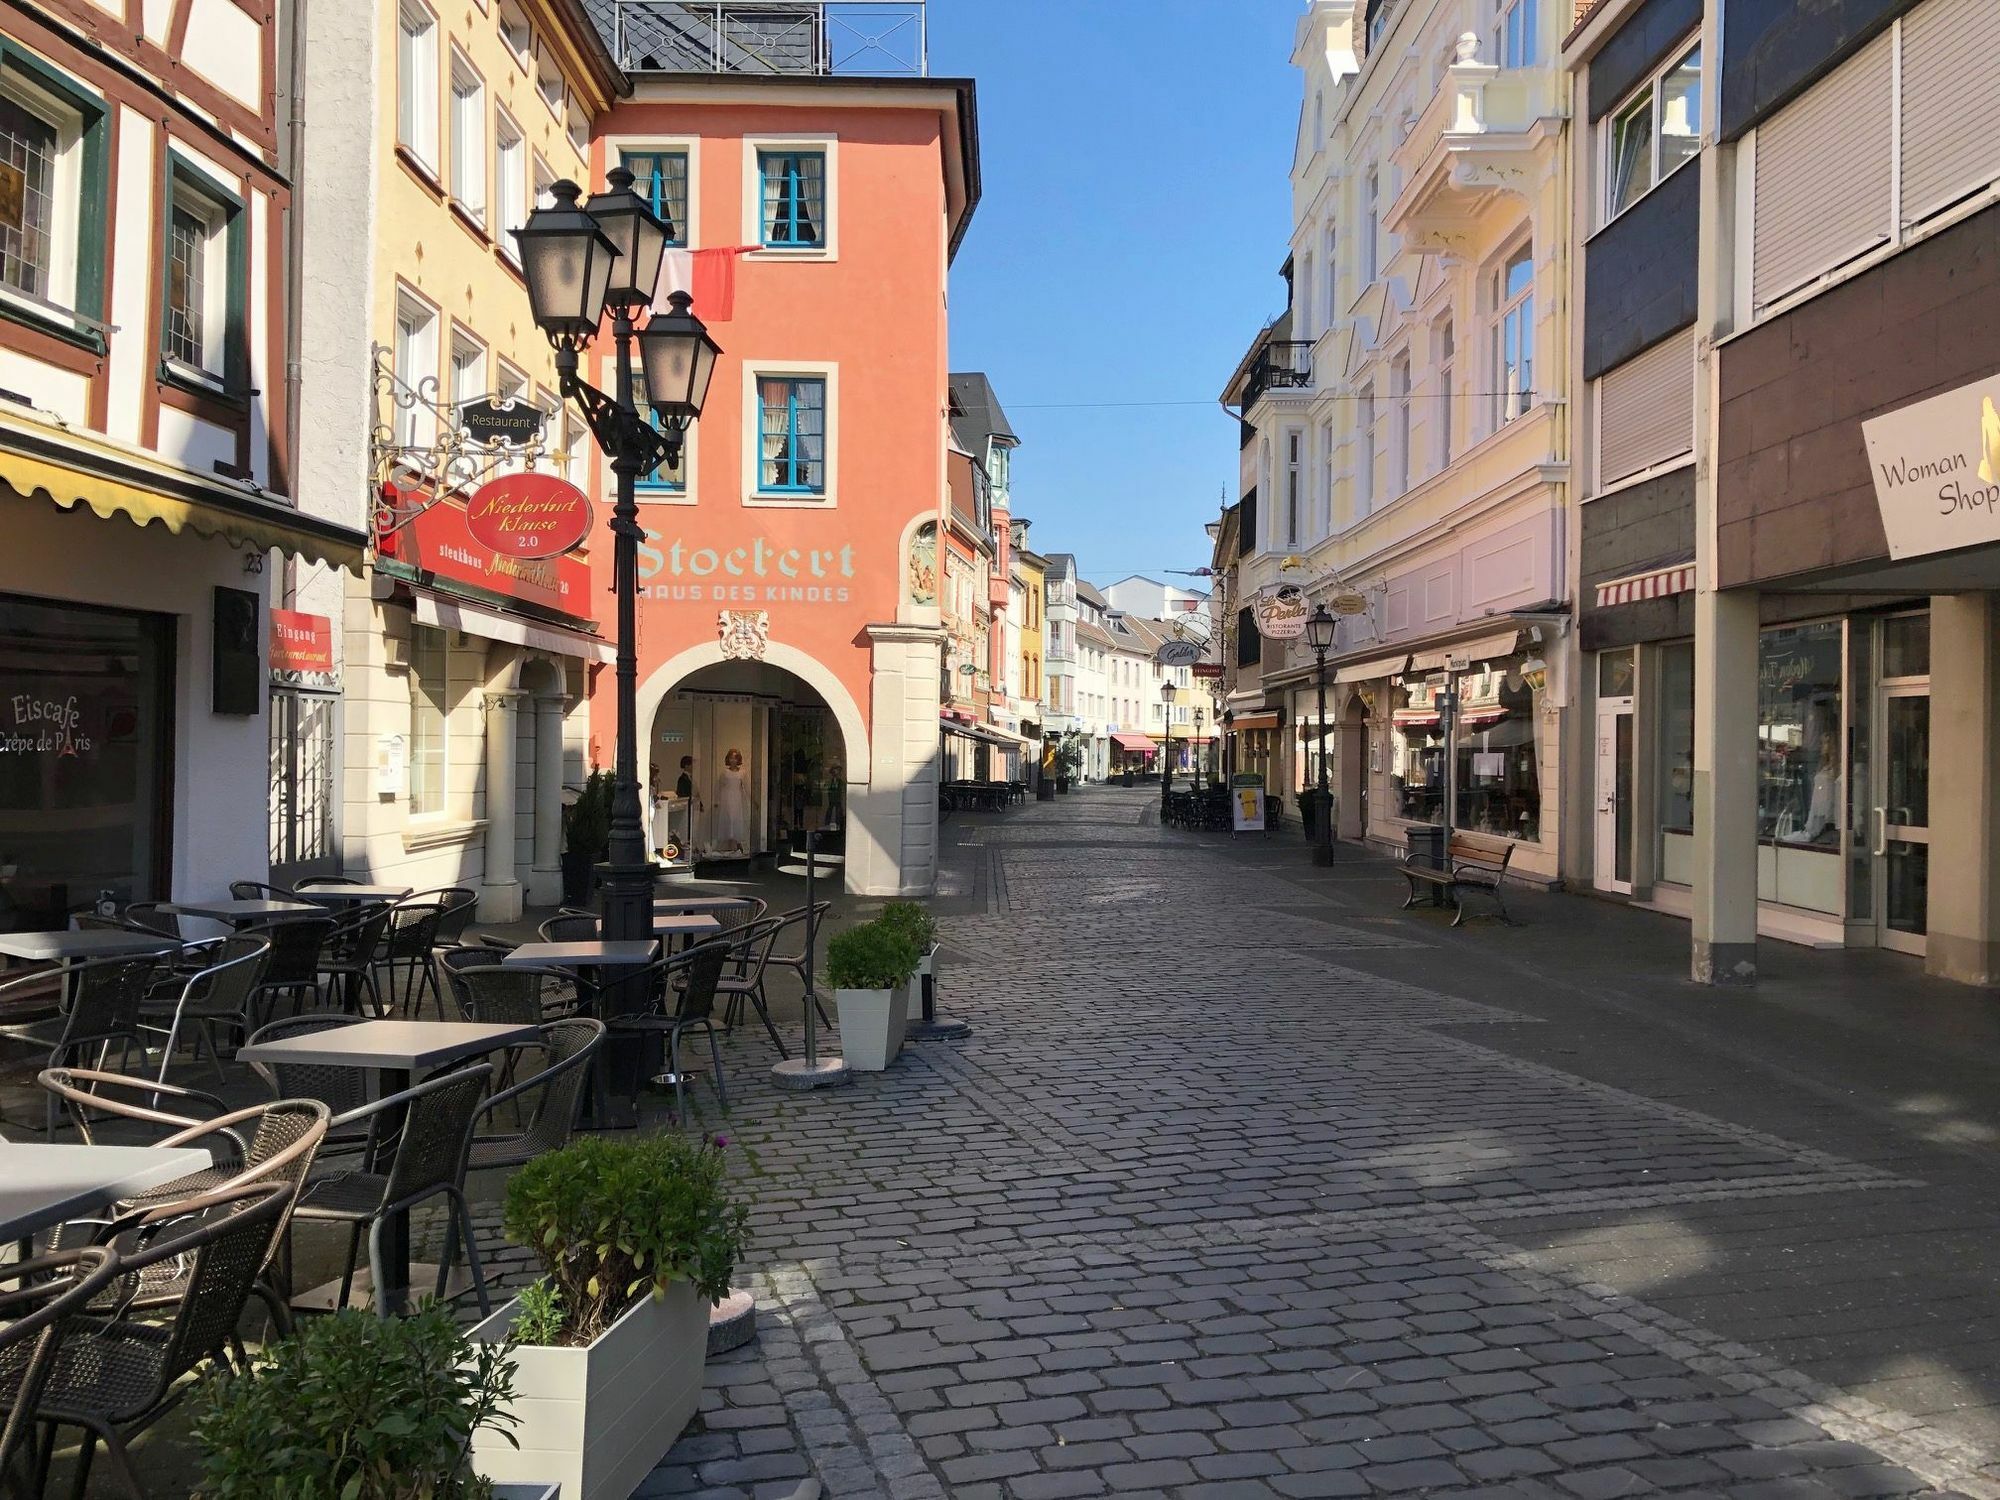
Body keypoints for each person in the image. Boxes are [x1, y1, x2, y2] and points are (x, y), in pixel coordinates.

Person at [714, 748, 750, 853]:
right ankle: (727, 845)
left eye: (735, 758)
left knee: (736, 819)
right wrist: (717, 801)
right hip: (726, 798)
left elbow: (747, 788)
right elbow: (719, 787)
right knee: (728, 819)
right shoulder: (724, 772)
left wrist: (752, 800)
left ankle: (736, 844)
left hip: (737, 799)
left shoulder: (742, 772)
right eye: (731, 758)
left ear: (738, 759)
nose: (733, 760)